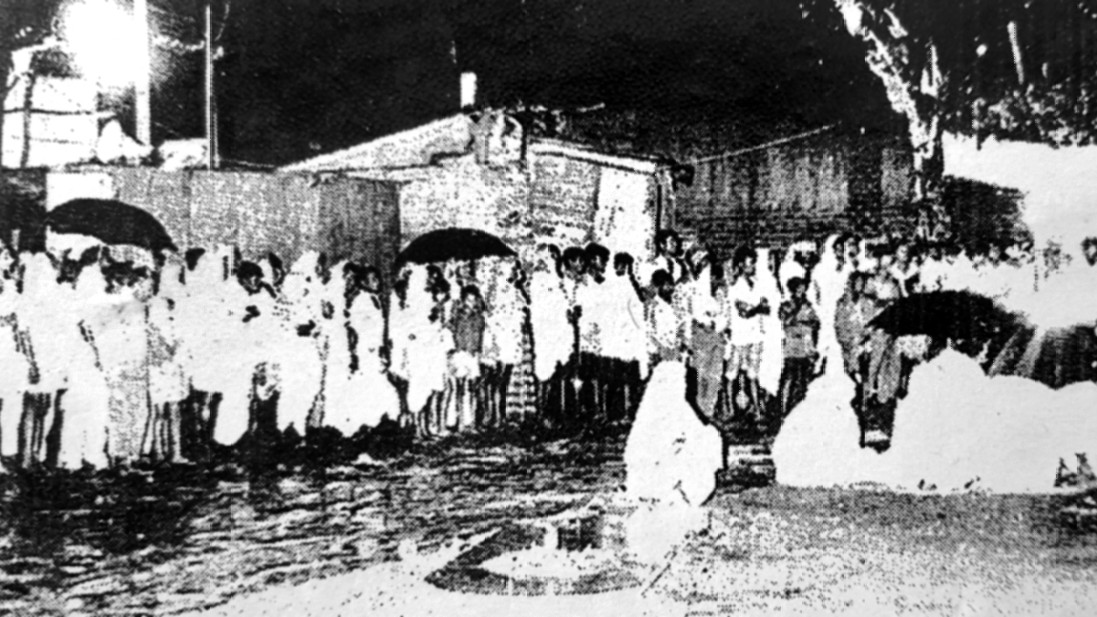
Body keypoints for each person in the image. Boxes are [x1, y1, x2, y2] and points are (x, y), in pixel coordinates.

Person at [625, 268, 722, 508]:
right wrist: (663, 349)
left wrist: (681, 346)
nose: (670, 289)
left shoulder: (674, 307)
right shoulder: (654, 308)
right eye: (666, 285)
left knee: (678, 401)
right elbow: (651, 334)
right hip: (666, 362)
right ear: (658, 287)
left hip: (677, 362)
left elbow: (681, 334)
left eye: (672, 285)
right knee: (662, 404)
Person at [723, 246, 770, 432]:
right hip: (740, 337)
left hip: (755, 335)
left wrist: (755, 308)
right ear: (741, 265)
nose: (753, 267)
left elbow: (764, 307)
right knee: (732, 374)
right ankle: (730, 411)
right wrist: (756, 308)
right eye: (750, 263)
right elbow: (744, 312)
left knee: (753, 375)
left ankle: (757, 411)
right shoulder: (735, 287)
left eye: (754, 263)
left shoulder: (757, 284)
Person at [778, 277, 820, 419]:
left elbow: (816, 322)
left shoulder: (808, 305)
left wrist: (809, 322)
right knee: (789, 376)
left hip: (805, 345)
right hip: (792, 344)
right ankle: (783, 409)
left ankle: (801, 410)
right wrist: (797, 314)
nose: (802, 290)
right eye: (799, 287)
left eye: (803, 287)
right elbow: (786, 321)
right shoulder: (787, 305)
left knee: (803, 378)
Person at [447, 283, 487, 431]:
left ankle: (471, 421)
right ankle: (457, 422)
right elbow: (454, 334)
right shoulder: (457, 316)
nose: (471, 304)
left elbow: (480, 337)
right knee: (459, 388)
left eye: (473, 300)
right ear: (463, 300)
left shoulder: (479, 318)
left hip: (473, 355)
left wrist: (477, 351)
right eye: (468, 300)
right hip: (460, 354)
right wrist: (459, 349)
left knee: (473, 388)